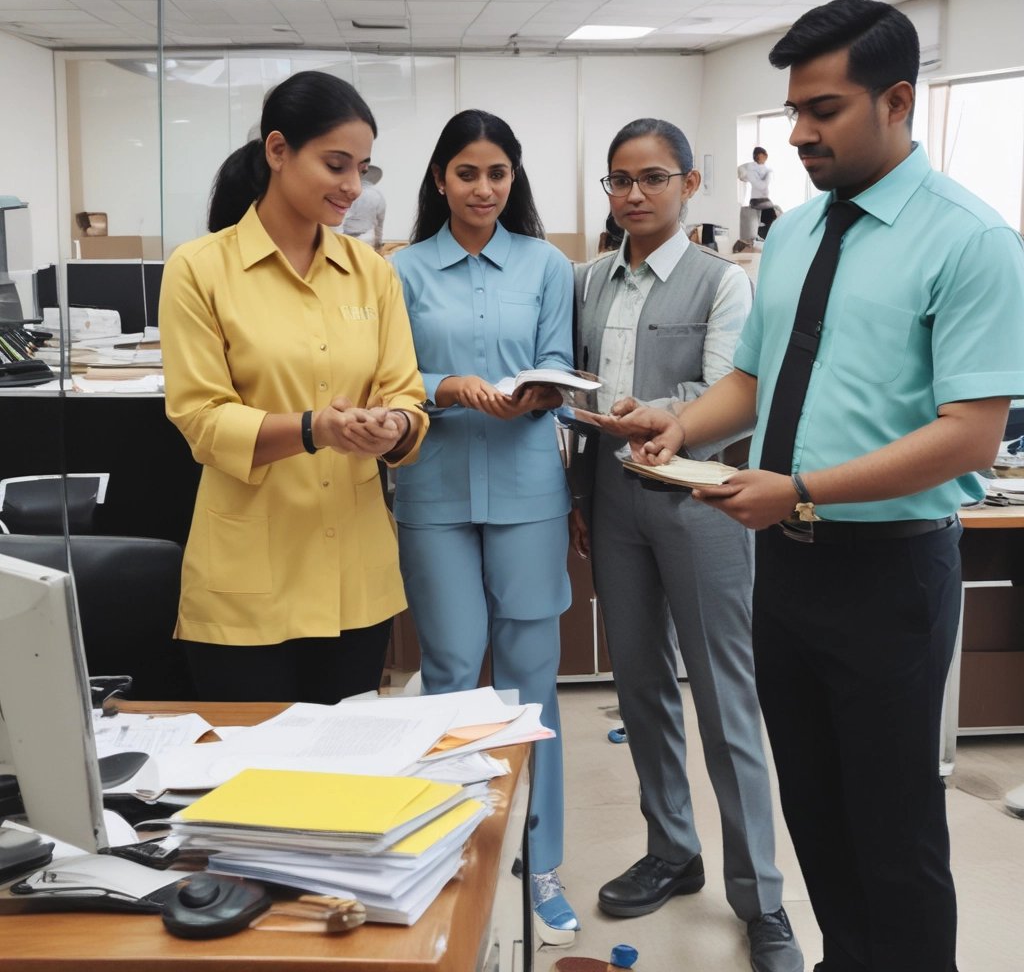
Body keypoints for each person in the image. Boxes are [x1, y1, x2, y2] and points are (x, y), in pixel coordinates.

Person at [593, 0, 1024, 972]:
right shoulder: (790, 235)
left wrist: (801, 490)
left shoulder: (970, 241)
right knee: (817, 810)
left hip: (889, 573)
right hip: (784, 571)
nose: (796, 133)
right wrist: (679, 422)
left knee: (894, 830)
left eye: (822, 109)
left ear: (897, 100)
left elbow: (969, 435)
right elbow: (752, 379)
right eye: (793, 108)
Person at [573, 117, 803, 972]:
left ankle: (763, 900)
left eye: (653, 179)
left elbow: (727, 390)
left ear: (691, 184)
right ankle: (673, 848)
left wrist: (658, 412)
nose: (634, 195)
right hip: (615, 502)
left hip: (698, 504)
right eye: (619, 181)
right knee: (640, 691)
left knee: (724, 700)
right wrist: (579, 495)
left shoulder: (722, 282)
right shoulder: (589, 279)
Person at [160, 71, 427, 704]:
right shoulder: (200, 269)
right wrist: (315, 429)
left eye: (363, 167)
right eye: (336, 165)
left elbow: (407, 396)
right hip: (247, 579)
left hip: (353, 579)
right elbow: (201, 420)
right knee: (251, 790)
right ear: (278, 151)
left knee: (344, 781)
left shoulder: (372, 273)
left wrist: (394, 428)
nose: (353, 187)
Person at [389, 109, 578, 944]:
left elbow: (559, 361)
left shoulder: (547, 264)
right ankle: (454, 848)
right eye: (467, 173)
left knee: (532, 681)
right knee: (454, 670)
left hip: (528, 486)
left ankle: (541, 864)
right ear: (440, 180)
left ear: (514, 180)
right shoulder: (401, 271)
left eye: (497, 173)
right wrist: (446, 384)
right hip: (432, 488)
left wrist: (541, 390)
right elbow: (390, 374)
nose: (482, 188)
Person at [341, 163, 386, 250]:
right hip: (367, 239)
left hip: (346, 239)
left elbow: (341, 220)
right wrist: (378, 244)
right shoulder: (378, 195)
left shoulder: (350, 193)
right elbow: (380, 224)